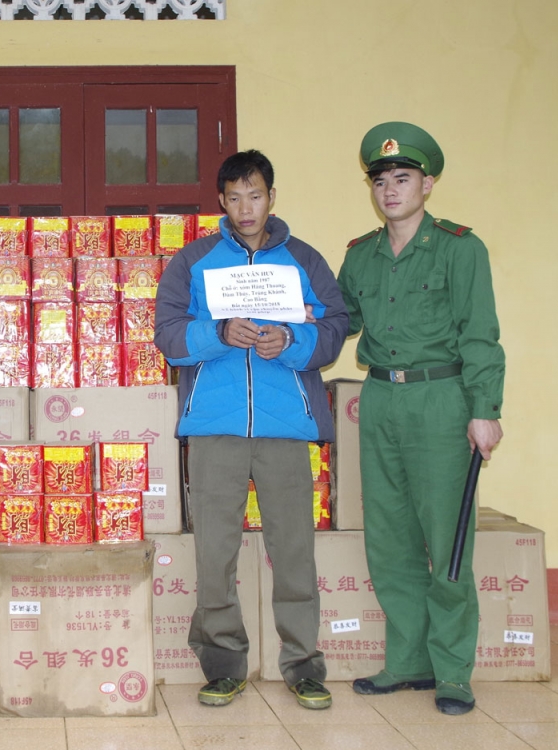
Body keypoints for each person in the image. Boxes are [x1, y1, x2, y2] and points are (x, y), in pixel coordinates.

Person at [154, 149, 348, 709]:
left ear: (272, 196)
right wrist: (219, 333)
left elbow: (335, 328)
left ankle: (304, 664)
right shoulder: (193, 261)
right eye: (235, 197)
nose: (246, 207)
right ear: (221, 200)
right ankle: (222, 663)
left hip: (287, 426)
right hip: (214, 427)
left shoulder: (304, 261)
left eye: (256, 195)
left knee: (293, 551)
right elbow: (167, 333)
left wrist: (292, 342)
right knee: (215, 552)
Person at [337, 122, 505, 715]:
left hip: (441, 400)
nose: (390, 190)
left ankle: (453, 671)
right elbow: (338, 320)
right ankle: (407, 661)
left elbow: (481, 334)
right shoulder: (361, 255)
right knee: (390, 539)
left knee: (447, 540)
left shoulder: (461, 248)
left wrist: (484, 410)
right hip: (380, 399)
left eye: (403, 178)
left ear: (427, 184)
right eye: (380, 180)